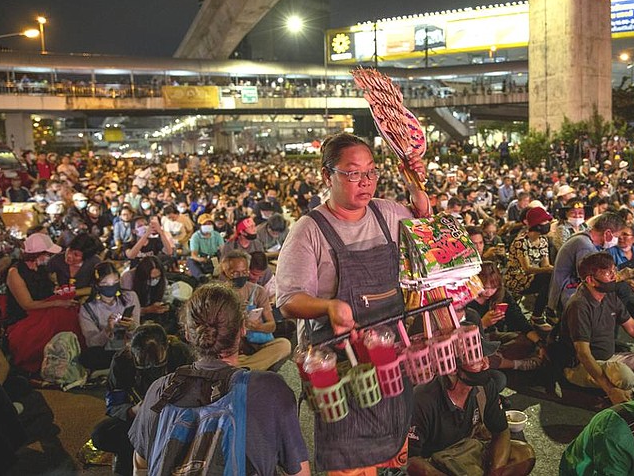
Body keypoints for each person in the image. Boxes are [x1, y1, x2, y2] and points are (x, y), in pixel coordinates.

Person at [276, 132, 430, 474]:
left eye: (371, 172)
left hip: (389, 362)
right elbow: (288, 300)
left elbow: (424, 229)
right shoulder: (310, 230)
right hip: (342, 373)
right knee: (350, 457)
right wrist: (327, 307)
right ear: (326, 175)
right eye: (352, 173)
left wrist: (417, 188)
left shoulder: (387, 214)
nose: (365, 182)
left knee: (393, 450)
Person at [129, 283, 310, 476]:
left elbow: (141, 466)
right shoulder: (269, 390)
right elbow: (299, 472)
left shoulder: (160, 390)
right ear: (242, 329)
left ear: (188, 334)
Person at [406, 321, 536, 476]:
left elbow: (501, 430)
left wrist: (494, 473)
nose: (485, 365)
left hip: (465, 451)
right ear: (453, 368)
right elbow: (410, 460)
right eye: (476, 360)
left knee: (523, 454)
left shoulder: (485, 387)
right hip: (434, 462)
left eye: (485, 358)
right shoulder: (423, 399)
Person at [553, 252, 634, 403]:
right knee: (625, 376)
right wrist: (609, 388)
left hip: (610, 359)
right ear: (590, 280)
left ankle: (630, 395)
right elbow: (584, 354)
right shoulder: (579, 305)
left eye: (614, 270)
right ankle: (622, 393)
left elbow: (633, 327)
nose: (614, 276)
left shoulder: (608, 294)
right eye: (608, 273)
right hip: (580, 366)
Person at [90, 324, 193, 476]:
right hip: (139, 421)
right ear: (131, 351)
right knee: (101, 435)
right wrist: (133, 411)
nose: (151, 369)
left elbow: (199, 394)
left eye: (157, 364)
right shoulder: (121, 361)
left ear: (167, 347)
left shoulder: (181, 354)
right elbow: (113, 404)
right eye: (144, 365)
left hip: (177, 420)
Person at [5, 233, 81, 373]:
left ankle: (69, 355)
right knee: (61, 312)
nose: (49, 257)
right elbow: (27, 304)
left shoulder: (41, 269)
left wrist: (58, 294)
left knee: (69, 309)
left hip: (43, 311)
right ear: (38, 254)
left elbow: (48, 291)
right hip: (23, 318)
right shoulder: (15, 272)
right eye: (47, 254)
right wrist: (57, 302)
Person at [545, 211, 627, 322]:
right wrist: (620, 276)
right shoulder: (584, 245)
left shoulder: (585, 239)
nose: (616, 241)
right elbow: (589, 277)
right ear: (607, 233)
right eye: (616, 236)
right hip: (567, 292)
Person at [220, 250, 291, 371]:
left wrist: (257, 327)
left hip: (255, 345)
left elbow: (272, 326)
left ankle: (241, 369)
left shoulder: (258, 291)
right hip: (232, 350)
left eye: (244, 272)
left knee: (284, 345)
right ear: (225, 272)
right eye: (235, 273)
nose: (241, 276)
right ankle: (249, 368)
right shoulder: (219, 294)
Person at [78, 261, 141, 370]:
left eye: (115, 282)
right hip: (106, 351)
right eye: (105, 284)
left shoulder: (130, 297)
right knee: (89, 356)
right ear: (96, 284)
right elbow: (92, 343)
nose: (111, 287)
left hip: (130, 348)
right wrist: (108, 329)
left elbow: (138, 330)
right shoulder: (88, 308)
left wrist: (131, 327)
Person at [504, 206, 554, 330]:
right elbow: (527, 269)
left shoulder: (543, 240)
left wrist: (555, 269)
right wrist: (549, 270)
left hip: (535, 276)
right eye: (544, 222)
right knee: (547, 277)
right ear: (536, 224)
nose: (547, 224)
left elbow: (545, 264)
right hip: (517, 278)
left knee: (553, 276)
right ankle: (537, 316)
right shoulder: (521, 241)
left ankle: (548, 311)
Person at [120, 257, 174, 332]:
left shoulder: (162, 280)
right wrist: (147, 310)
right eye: (151, 278)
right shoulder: (128, 278)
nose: (155, 280)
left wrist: (165, 305)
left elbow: (167, 295)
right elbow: (125, 311)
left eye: (157, 277)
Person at [47, 232, 103, 299]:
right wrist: (54, 286)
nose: (69, 256)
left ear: (86, 257)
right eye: (70, 250)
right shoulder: (56, 260)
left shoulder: (94, 263)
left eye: (76, 255)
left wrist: (73, 293)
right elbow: (46, 276)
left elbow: (99, 286)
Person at [187, 213, 224, 280]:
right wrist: (200, 259)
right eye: (205, 224)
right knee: (190, 261)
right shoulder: (195, 237)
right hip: (202, 259)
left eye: (209, 224)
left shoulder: (217, 235)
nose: (208, 226)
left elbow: (223, 250)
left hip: (215, 257)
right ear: (200, 226)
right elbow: (194, 254)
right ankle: (201, 277)